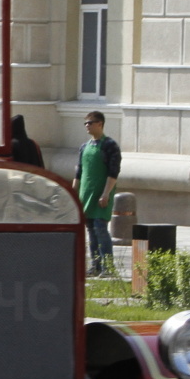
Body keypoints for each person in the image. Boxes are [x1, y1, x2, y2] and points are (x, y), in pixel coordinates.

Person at [76, 110, 122, 277]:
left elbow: (113, 172)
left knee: (100, 228)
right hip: (85, 195)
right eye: (85, 123)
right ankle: (95, 265)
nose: (87, 125)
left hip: (101, 195)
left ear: (100, 124)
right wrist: (73, 195)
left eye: (90, 122)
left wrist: (106, 193)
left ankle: (108, 267)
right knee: (90, 230)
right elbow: (79, 173)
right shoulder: (84, 147)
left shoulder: (110, 145)